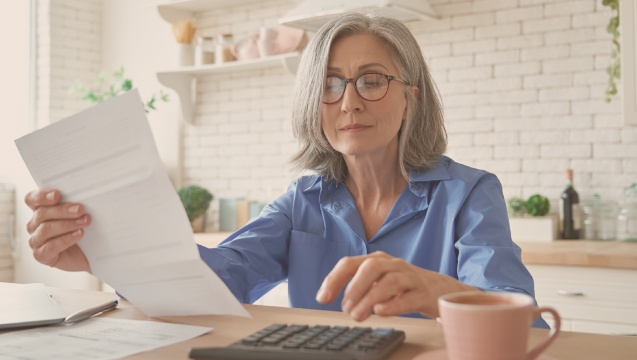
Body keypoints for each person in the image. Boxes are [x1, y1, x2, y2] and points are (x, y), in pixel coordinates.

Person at [24, 12, 548, 328]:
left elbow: (524, 320)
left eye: (371, 80)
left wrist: (436, 292)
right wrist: (104, 252)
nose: (348, 102)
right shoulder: (303, 201)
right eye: (329, 84)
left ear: (409, 97)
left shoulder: (469, 194)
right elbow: (218, 279)